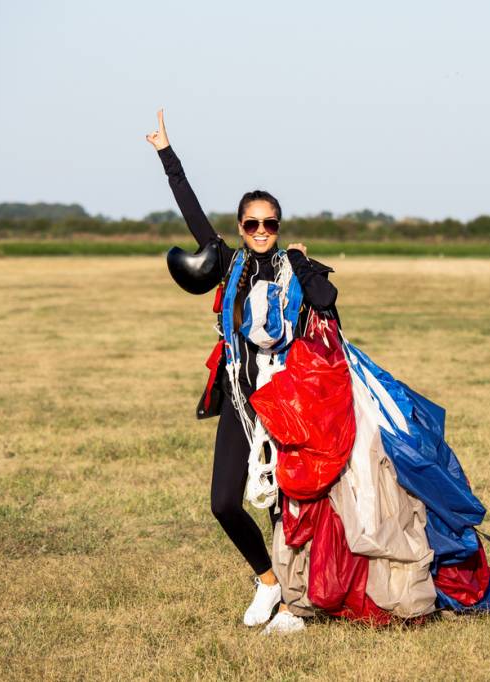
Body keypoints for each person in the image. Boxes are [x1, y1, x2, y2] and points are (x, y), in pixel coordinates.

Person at [146, 109, 338, 627]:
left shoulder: (295, 267)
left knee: (288, 509)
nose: (260, 230)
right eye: (251, 223)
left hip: (287, 402)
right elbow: (191, 213)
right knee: (223, 503)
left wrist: (300, 263)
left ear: (278, 227)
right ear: (239, 228)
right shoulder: (229, 265)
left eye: (268, 223)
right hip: (239, 398)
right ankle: (269, 582)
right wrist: (168, 153)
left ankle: (297, 602)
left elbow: (327, 303)